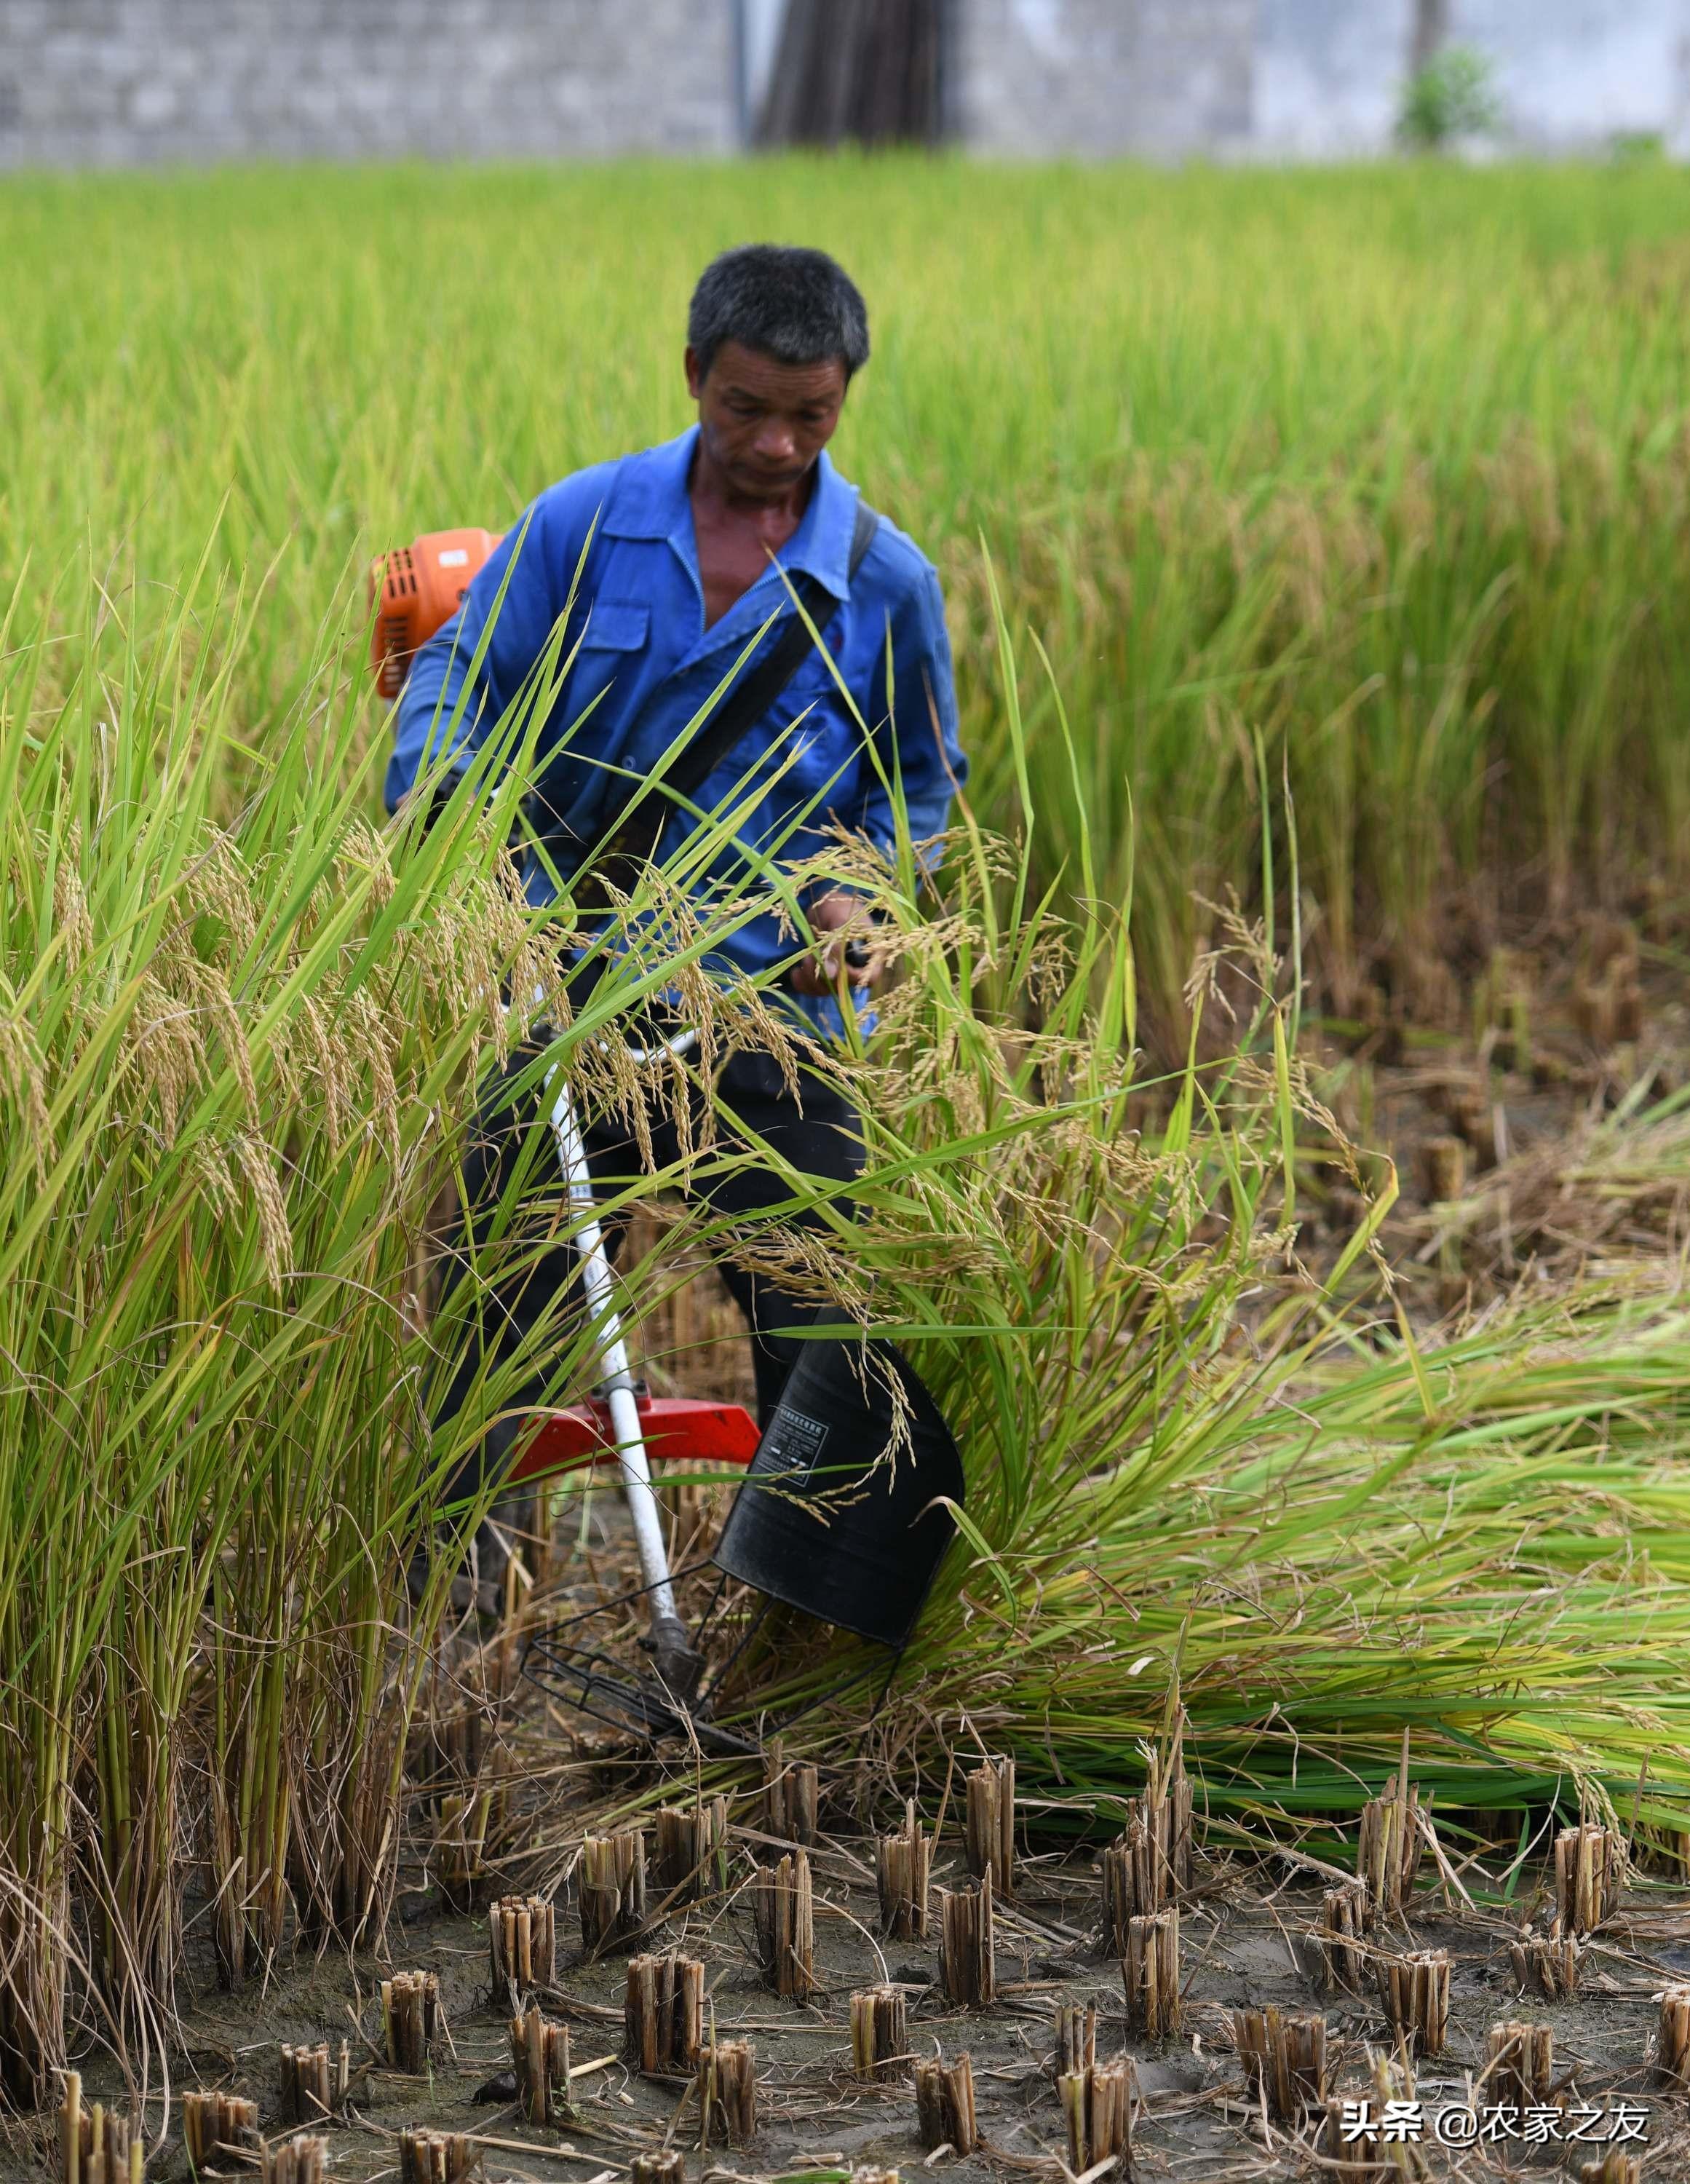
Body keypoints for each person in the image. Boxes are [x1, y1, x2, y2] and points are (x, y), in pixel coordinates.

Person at [386, 244, 967, 1605]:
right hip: (571, 985)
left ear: (844, 400)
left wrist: (864, 895)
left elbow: (920, 787)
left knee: (822, 1315)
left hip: (772, 1010)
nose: (774, 445)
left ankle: (804, 1612)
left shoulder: (885, 583)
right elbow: (457, 680)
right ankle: (462, 1585)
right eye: (745, 409)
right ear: (694, 376)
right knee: (502, 1292)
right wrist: (466, 831)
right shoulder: (581, 524)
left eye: (808, 417)